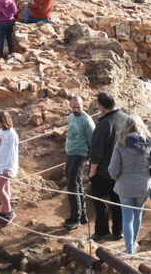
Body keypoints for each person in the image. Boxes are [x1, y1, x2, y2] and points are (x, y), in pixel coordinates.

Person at [108, 115, 151, 254]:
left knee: (127, 217)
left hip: (125, 185)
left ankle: (129, 249)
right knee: (138, 215)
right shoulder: (150, 142)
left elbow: (113, 169)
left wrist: (117, 178)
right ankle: (133, 243)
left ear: (125, 126)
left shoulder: (120, 142)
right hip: (144, 185)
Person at [89, 92, 129, 242]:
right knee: (118, 201)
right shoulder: (126, 119)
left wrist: (92, 171)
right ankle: (119, 231)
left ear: (101, 106)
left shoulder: (104, 123)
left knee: (101, 201)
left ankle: (102, 231)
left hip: (104, 171)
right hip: (122, 169)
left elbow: (97, 150)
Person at [63, 96, 95, 230]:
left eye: (79, 107)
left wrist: (89, 159)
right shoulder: (71, 117)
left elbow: (92, 140)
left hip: (80, 155)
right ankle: (82, 216)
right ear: (70, 106)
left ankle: (75, 217)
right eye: (74, 107)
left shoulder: (86, 120)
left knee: (72, 185)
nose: (76, 110)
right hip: (70, 154)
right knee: (77, 184)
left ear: (83, 106)